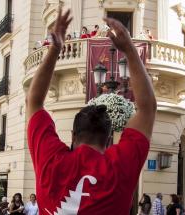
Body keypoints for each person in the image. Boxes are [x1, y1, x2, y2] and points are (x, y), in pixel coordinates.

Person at [26, 7, 156, 215]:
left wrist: (55, 48)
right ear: (106, 140)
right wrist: (130, 49)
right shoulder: (118, 168)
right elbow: (147, 108)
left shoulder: (51, 161)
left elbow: (33, 101)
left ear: (73, 135)